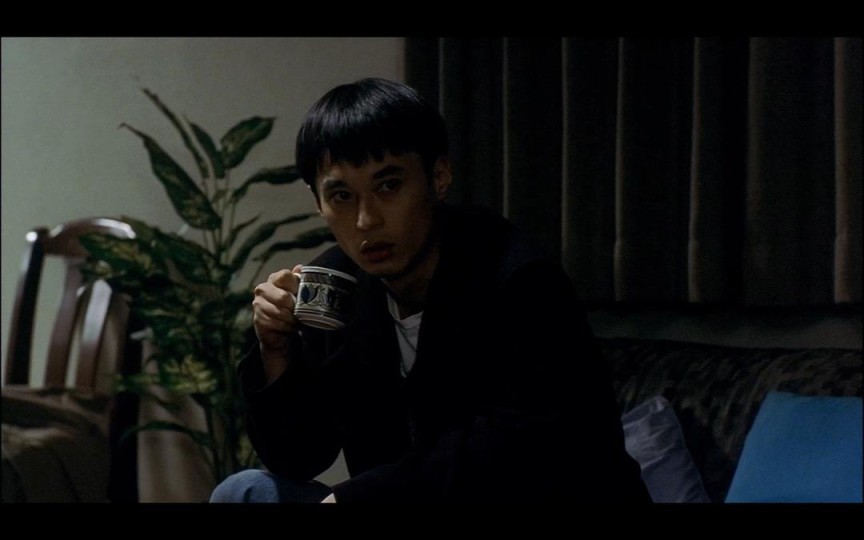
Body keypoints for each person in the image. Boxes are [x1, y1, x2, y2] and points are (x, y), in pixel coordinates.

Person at [210, 77, 650, 503]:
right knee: (246, 491)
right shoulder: (337, 286)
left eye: (388, 186)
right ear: (318, 203)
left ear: (438, 177)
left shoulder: (516, 276)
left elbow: (518, 449)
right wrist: (275, 351)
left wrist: (358, 498)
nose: (366, 220)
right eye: (342, 196)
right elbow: (298, 457)